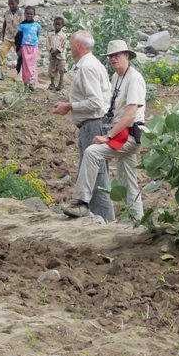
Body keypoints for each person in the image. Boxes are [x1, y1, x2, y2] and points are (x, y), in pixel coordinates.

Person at [64, 40, 146, 221]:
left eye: (116, 55)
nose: (112, 59)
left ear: (127, 55)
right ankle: (138, 222)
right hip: (122, 133)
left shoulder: (134, 78)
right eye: (110, 56)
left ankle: (81, 202)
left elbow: (130, 115)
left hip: (129, 134)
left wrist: (108, 136)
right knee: (128, 181)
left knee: (92, 153)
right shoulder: (117, 77)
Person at [53, 31, 116, 223]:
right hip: (94, 124)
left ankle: (105, 219)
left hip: (93, 125)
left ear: (79, 46)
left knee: (96, 175)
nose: (69, 47)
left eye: (71, 44)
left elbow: (95, 103)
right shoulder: (92, 64)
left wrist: (69, 106)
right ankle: (101, 219)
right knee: (95, 173)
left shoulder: (87, 67)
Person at [15, 5, 42, 91]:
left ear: (34, 15)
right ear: (25, 14)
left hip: (34, 48)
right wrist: (18, 49)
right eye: (27, 13)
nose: (29, 15)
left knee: (33, 66)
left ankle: (32, 83)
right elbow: (18, 37)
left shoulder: (37, 26)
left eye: (31, 14)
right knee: (25, 66)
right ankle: (25, 84)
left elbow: (37, 35)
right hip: (25, 48)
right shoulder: (22, 25)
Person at [0, 0, 22, 79]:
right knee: (1, 53)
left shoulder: (21, 13)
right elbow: (4, 24)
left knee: (21, 55)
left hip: (17, 39)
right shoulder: (7, 13)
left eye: (12, 3)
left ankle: (23, 72)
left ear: (17, 3)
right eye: (9, 3)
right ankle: (2, 72)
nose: (10, 5)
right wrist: (2, 35)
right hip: (7, 38)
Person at [46, 16, 67, 91]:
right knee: (51, 69)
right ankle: (52, 83)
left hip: (61, 56)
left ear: (62, 26)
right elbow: (48, 44)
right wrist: (51, 50)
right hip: (52, 56)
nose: (57, 26)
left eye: (59, 25)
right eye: (56, 24)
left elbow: (63, 45)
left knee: (61, 70)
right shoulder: (50, 35)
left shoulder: (63, 36)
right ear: (53, 25)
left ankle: (60, 84)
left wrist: (57, 51)